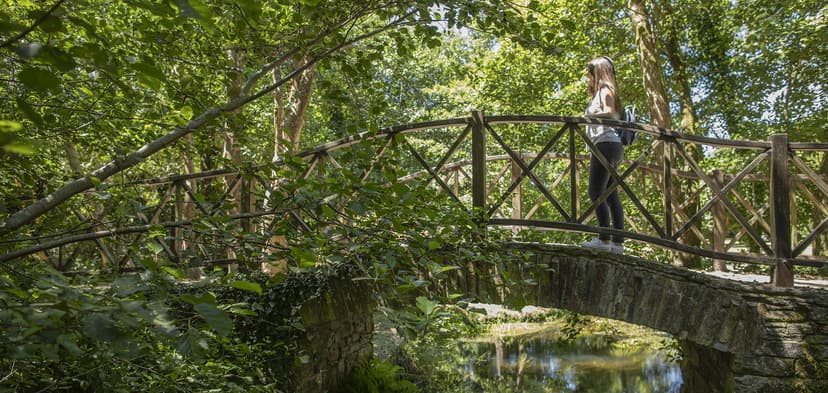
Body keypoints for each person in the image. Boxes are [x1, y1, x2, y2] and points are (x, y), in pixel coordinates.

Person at [580, 56, 625, 253]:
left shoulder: (605, 89)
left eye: (589, 75)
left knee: (595, 192)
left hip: (605, 144)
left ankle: (604, 239)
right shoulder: (604, 90)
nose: (588, 79)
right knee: (611, 194)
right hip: (611, 146)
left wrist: (588, 117)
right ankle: (617, 243)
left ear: (597, 73)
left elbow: (609, 112)